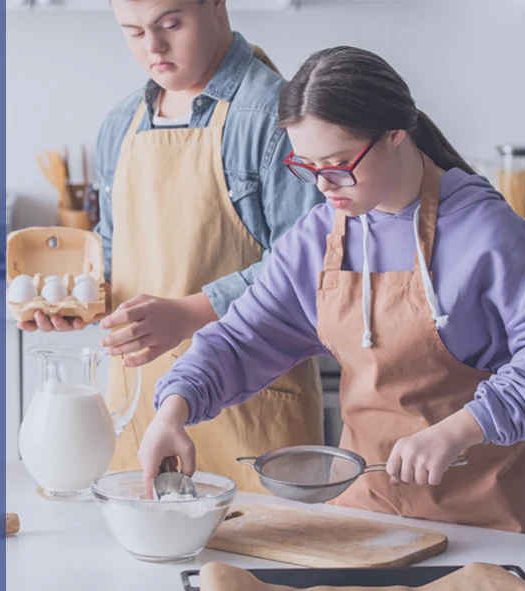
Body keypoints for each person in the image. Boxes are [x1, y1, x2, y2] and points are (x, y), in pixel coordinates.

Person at [138, 46, 525, 535]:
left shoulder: (484, 232)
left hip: (483, 528)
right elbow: (242, 339)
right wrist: (174, 409)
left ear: (394, 134)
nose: (324, 186)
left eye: (339, 163)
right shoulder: (317, 239)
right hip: (362, 521)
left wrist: (461, 428)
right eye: (308, 167)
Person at [17, 0, 327, 492]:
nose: (153, 47)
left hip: (250, 415)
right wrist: (82, 303)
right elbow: (115, 254)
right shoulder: (121, 123)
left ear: (217, 6)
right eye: (134, 32)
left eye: (170, 24)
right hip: (137, 415)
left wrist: (187, 314)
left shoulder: (272, 115)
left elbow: (309, 271)